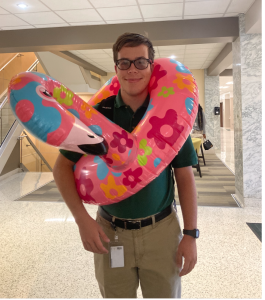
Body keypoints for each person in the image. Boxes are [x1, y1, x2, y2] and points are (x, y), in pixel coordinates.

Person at [53, 33, 199, 298]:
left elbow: (185, 176)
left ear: (152, 67)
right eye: (124, 63)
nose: (132, 70)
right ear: (116, 68)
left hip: (161, 232)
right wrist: (82, 220)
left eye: (141, 62)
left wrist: (190, 234)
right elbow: (62, 167)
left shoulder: (171, 115)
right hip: (110, 232)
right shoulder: (97, 116)